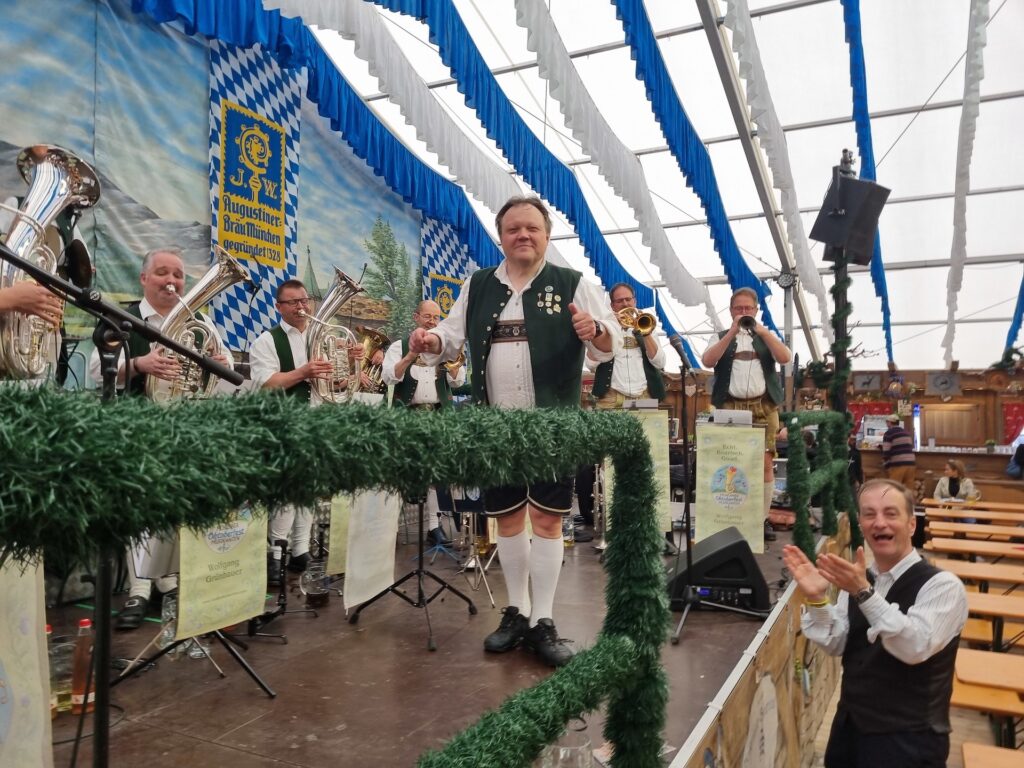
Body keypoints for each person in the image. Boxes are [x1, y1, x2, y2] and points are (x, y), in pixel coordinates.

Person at [409, 195, 621, 667]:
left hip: (551, 425)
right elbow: (451, 337)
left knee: (546, 520)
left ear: (547, 235)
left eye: (532, 229)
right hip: (496, 425)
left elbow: (609, 345)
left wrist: (595, 330)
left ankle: (543, 619)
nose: (523, 235)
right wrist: (430, 340)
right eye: (513, 229)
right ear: (501, 236)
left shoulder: (572, 283)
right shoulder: (479, 284)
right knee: (505, 520)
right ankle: (516, 612)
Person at [87, 247, 233, 629]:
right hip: (137, 428)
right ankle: (139, 590)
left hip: (184, 431)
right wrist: (139, 364)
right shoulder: (123, 319)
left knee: (176, 508)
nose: (172, 282)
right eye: (162, 274)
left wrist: (217, 360)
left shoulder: (201, 322)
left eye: (178, 275)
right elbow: (93, 370)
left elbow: (228, 377)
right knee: (140, 510)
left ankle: (170, 582)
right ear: (144, 279)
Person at [782, 479, 968, 768]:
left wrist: (863, 593)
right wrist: (818, 598)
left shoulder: (943, 586)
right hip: (849, 730)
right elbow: (838, 642)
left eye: (891, 513)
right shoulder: (860, 579)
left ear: (911, 525)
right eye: (869, 514)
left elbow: (914, 647)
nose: (879, 522)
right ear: (861, 523)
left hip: (909, 742)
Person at [249, 278, 364, 585]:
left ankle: (300, 551)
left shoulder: (322, 336)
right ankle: (275, 554)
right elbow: (266, 384)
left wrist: (350, 366)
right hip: (285, 423)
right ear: (279, 307)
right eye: (293, 302)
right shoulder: (267, 341)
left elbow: (335, 385)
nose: (301, 307)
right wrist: (302, 372)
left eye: (304, 301)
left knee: (308, 491)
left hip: (317, 421)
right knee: (288, 493)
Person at [701, 287, 791, 543]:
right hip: (729, 406)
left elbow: (784, 358)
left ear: (756, 310)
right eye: (738, 309)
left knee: (764, 465)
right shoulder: (721, 336)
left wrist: (762, 331)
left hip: (763, 407)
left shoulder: (765, 335)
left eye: (748, 309)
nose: (743, 313)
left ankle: (760, 520)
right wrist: (731, 332)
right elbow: (708, 360)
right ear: (731, 311)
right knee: (732, 463)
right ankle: (730, 517)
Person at [381, 299, 467, 546]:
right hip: (407, 418)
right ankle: (389, 530)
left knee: (434, 474)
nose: (432, 322)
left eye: (436, 318)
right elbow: (389, 377)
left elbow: (458, 382)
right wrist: (411, 354)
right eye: (427, 317)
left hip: (438, 418)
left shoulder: (444, 347)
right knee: (400, 472)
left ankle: (433, 526)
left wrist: (452, 366)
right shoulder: (398, 346)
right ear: (416, 316)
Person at [588, 282, 666, 407]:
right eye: (619, 301)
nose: (625, 303)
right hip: (610, 397)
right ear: (612, 305)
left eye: (628, 299)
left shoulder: (647, 327)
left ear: (634, 301)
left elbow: (660, 363)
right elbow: (591, 364)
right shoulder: (604, 328)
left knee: (646, 428)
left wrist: (646, 333)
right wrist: (611, 328)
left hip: (644, 396)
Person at [881, 414, 915, 490]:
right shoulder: (906, 432)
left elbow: (886, 452)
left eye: (887, 422)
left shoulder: (889, 433)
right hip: (911, 464)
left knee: (894, 489)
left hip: (898, 464)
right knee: (909, 489)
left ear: (889, 422)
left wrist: (887, 466)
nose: (886, 424)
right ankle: (910, 502)